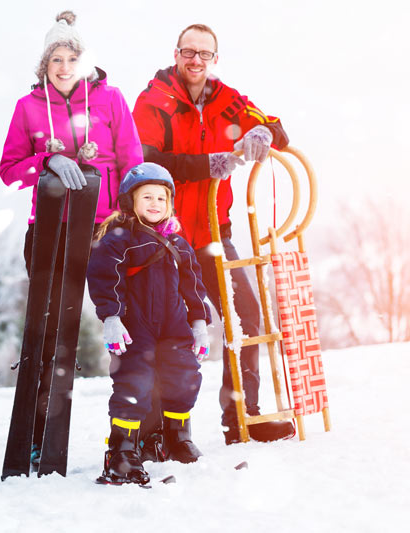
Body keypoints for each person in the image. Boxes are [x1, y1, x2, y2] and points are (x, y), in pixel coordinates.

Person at [131, 23, 295, 445]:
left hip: (214, 233)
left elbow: (275, 126)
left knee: (246, 318)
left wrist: (262, 132)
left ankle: (244, 418)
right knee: (169, 330)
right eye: (189, 52)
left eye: (205, 54)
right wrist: (206, 165)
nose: (196, 60)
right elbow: (145, 160)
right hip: (164, 239)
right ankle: (161, 431)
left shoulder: (227, 100)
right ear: (176, 53)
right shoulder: (154, 100)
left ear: (215, 59)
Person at [0, 10, 142, 470]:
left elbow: (132, 163)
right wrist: (45, 160)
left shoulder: (110, 99)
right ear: (44, 65)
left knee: (130, 324)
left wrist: (127, 222)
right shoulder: (28, 107)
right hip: (51, 232)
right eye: (56, 58)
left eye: (72, 57)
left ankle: (138, 435)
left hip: (104, 230)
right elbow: (9, 168)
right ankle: (41, 435)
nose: (64, 67)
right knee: (50, 337)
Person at [87, 162, 212, 485]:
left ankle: (176, 437)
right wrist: (112, 318)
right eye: (147, 197)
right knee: (135, 382)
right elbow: (104, 279)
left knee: (184, 377)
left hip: (174, 326)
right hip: (135, 326)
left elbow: (194, 286)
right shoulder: (119, 239)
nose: (155, 204)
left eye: (161, 198)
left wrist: (199, 323)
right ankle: (122, 450)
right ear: (130, 201)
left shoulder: (179, 244)